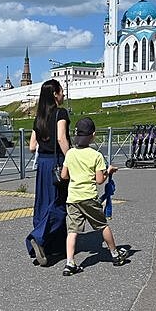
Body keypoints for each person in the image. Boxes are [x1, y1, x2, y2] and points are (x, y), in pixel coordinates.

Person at [60, 117, 127, 276]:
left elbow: (63, 175)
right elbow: (99, 181)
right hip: (89, 197)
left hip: (73, 198)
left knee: (72, 230)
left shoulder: (70, 153)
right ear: (93, 135)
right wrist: (108, 172)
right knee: (102, 225)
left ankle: (70, 263)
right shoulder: (96, 156)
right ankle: (115, 254)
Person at [25, 79, 70, 266]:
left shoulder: (39, 117)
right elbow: (61, 138)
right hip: (57, 163)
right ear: (55, 94)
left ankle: (54, 247)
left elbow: (32, 146)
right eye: (61, 91)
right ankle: (39, 237)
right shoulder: (61, 113)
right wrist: (72, 159)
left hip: (43, 165)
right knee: (59, 203)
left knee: (43, 203)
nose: (63, 94)